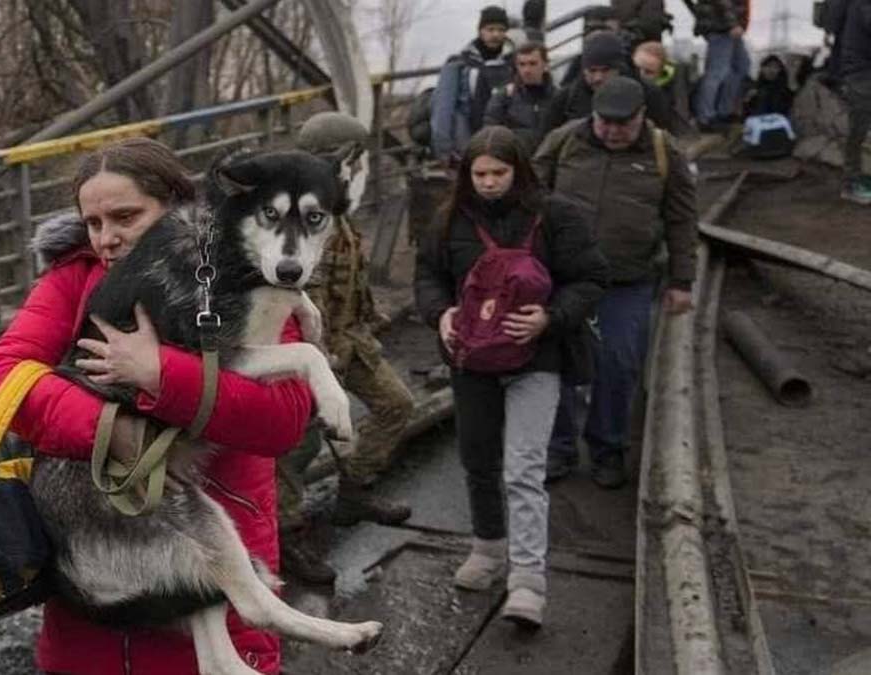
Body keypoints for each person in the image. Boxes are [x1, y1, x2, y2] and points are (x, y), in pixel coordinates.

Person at [0, 137, 315, 675]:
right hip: (93, 601)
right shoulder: (71, 279)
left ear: (177, 206)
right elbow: (4, 379)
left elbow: (284, 419)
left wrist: (161, 375)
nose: (107, 238)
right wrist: (108, 427)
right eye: (93, 223)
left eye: (126, 216)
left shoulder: (239, 279)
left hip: (211, 568)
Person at [414, 126, 608, 628]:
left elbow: (590, 278)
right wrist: (440, 313)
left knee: (523, 467)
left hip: (535, 358)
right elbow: (429, 275)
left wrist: (550, 317)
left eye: (499, 173)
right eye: (479, 174)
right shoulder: (449, 220)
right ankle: (487, 547)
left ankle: (527, 580)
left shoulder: (555, 216)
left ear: (518, 171)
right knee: (478, 459)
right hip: (470, 357)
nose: (489, 183)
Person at [534, 77, 698, 489]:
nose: (611, 131)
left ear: (642, 117)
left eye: (622, 125)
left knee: (618, 365)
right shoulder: (564, 142)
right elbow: (530, 198)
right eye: (604, 122)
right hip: (564, 278)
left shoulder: (664, 153)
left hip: (628, 280)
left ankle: (607, 448)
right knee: (555, 364)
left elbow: (682, 220)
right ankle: (558, 447)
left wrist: (682, 280)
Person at [276, 112, 417, 586]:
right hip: (312, 351)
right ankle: (286, 533)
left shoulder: (334, 203)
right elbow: (298, 296)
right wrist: (317, 362)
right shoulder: (300, 216)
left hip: (349, 339)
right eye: (357, 156)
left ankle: (353, 491)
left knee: (396, 404)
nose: (362, 166)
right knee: (298, 445)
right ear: (342, 158)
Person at [538, 32, 684, 142]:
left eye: (605, 70)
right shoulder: (565, 99)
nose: (598, 78)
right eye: (592, 71)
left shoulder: (649, 95)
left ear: (619, 68)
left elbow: (665, 139)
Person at [430, 5, 515, 166]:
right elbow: (443, 107)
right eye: (490, 29)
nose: (496, 34)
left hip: (503, 143)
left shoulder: (514, 62)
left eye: (501, 29)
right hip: (466, 141)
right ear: (480, 30)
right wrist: (444, 149)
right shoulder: (459, 64)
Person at [826, 0, 871, 204]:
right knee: (859, 129)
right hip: (861, 73)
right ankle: (851, 183)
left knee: (860, 129)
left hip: (860, 71)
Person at [688, 0, 751, 131]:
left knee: (741, 66)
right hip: (723, 26)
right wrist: (732, 24)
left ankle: (724, 112)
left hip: (727, 25)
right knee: (716, 72)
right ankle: (705, 118)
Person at [484, 42, 557, 154]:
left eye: (533, 64)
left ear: (545, 65)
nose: (527, 70)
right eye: (522, 64)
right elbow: (490, 134)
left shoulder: (559, 97)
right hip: (516, 161)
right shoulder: (504, 97)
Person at [633, 40, 694, 132]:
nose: (641, 75)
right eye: (637, 68)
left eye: (648, 72)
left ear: (661, 73)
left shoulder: (669, 94)